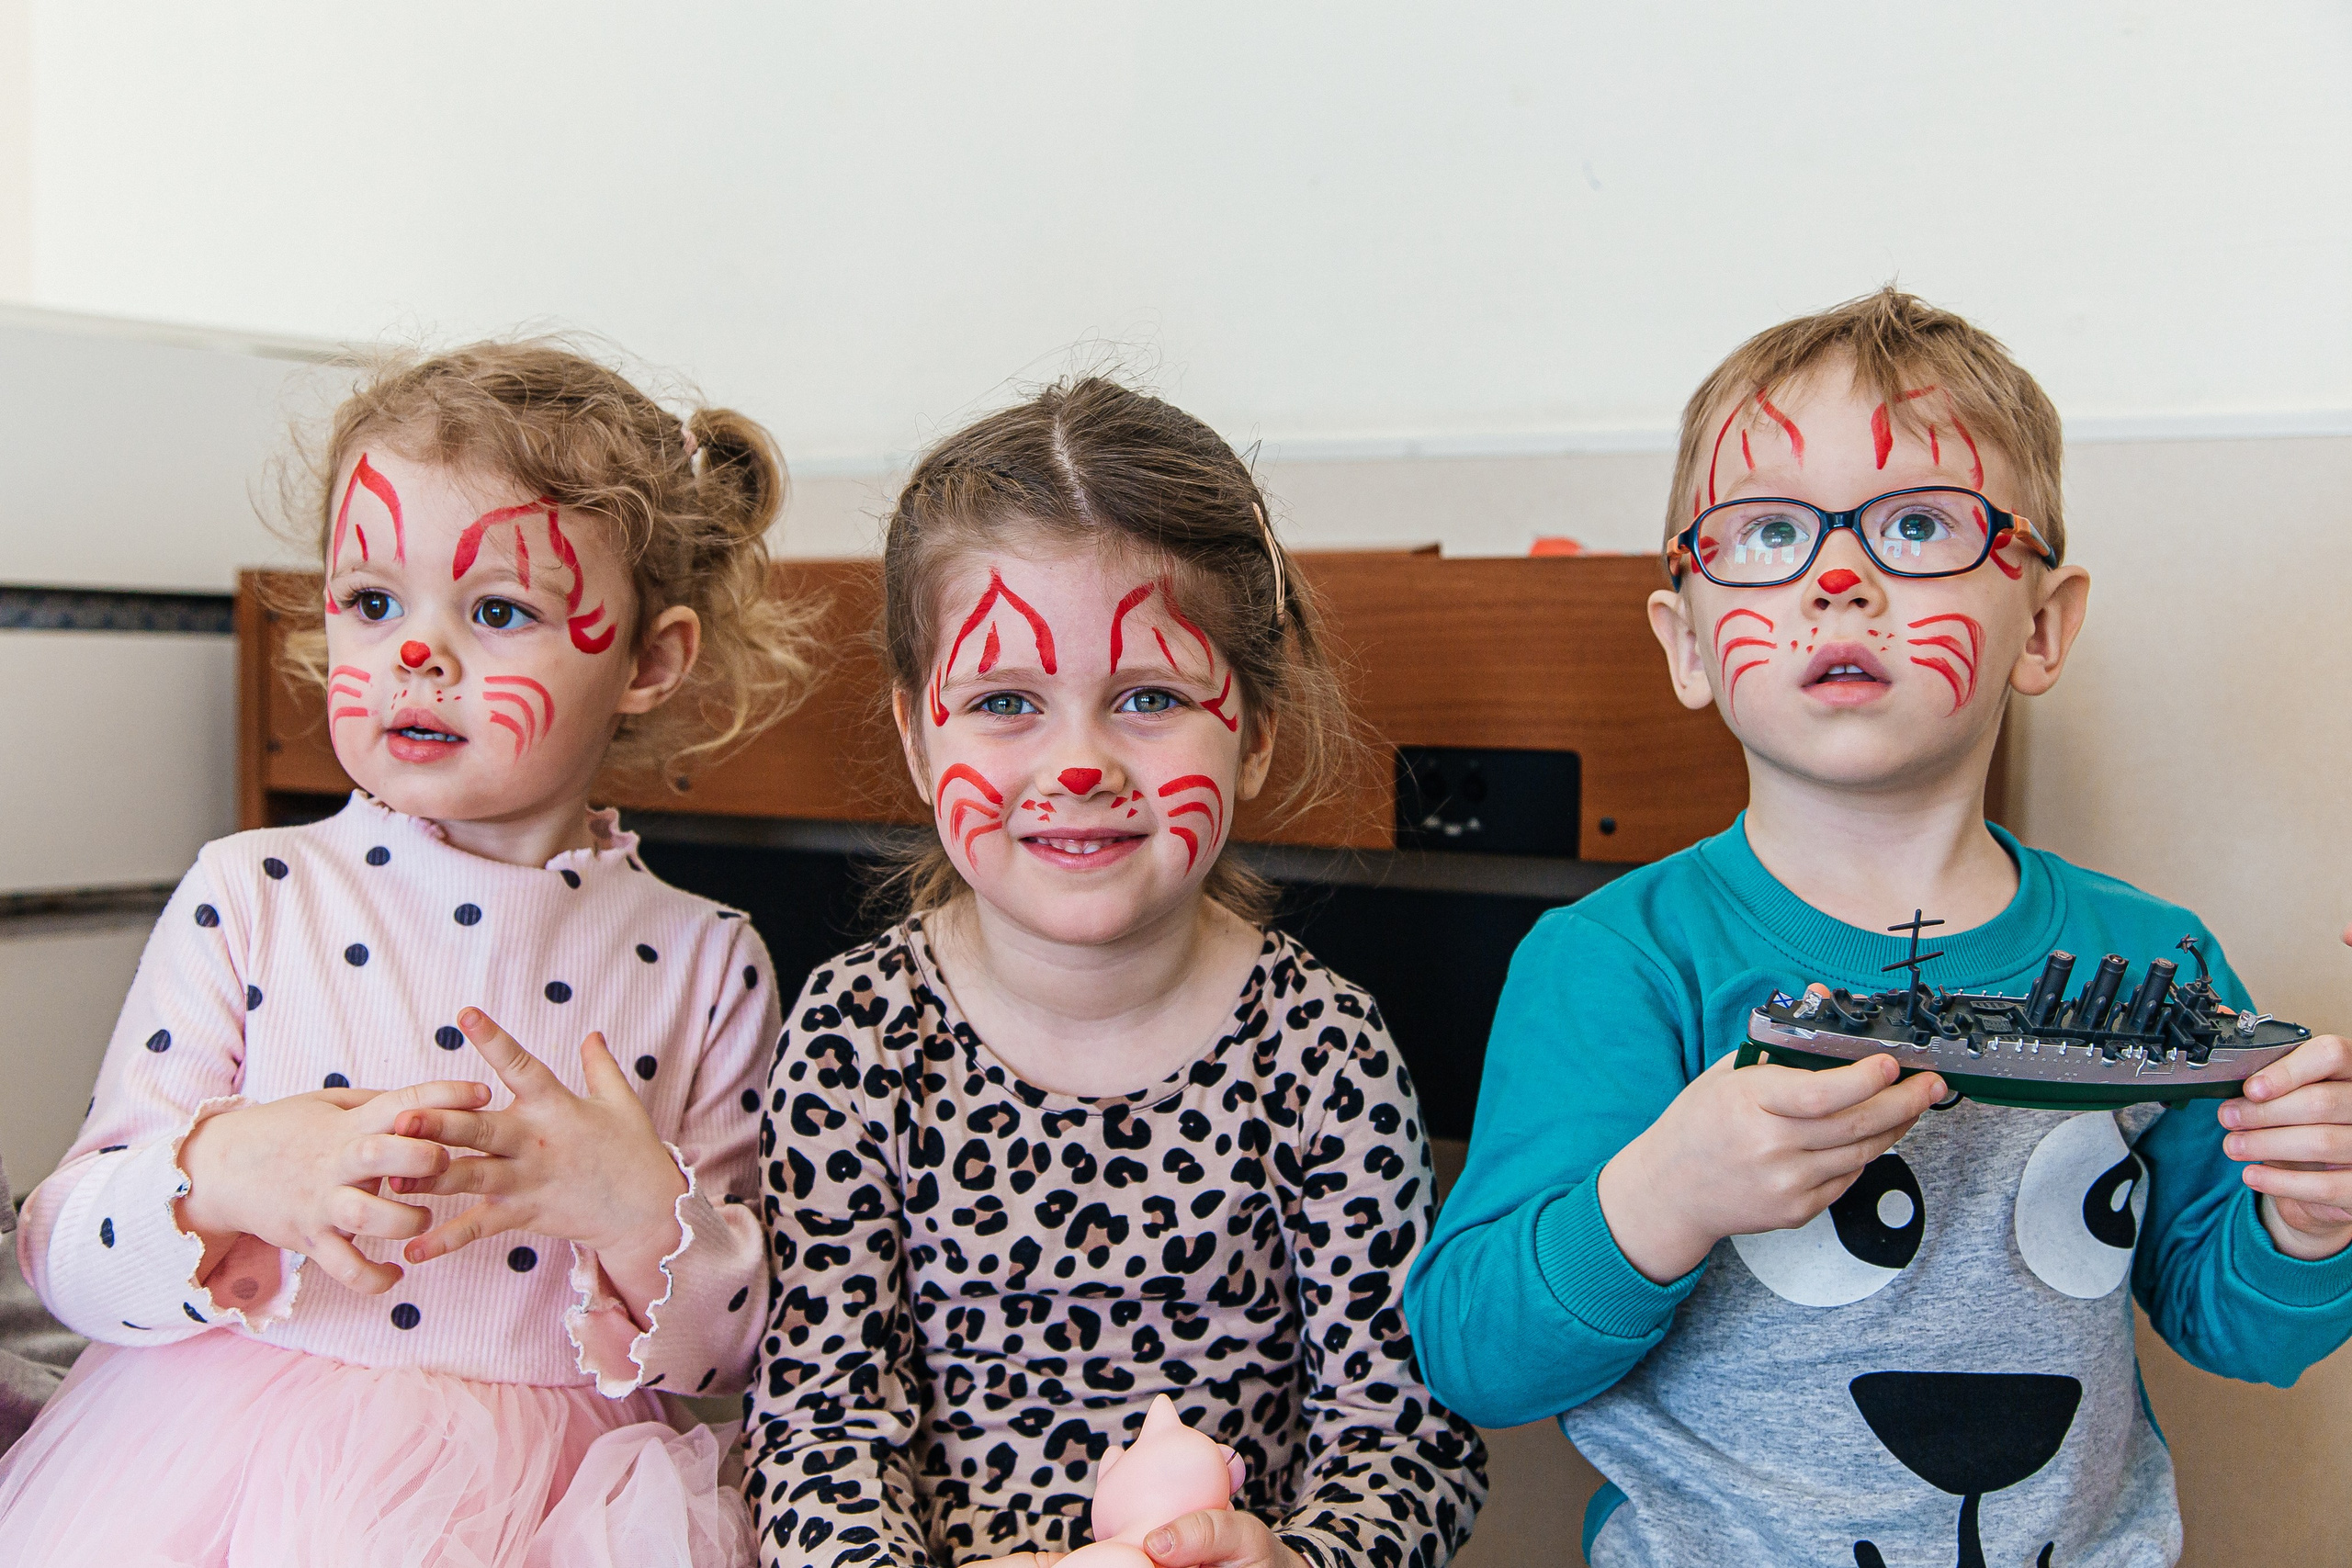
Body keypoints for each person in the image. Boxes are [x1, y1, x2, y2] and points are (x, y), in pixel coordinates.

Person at [1405, 289, 2352, 1567]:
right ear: (1685, 643)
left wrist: (2310, 1219)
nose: (1839, 580)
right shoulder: (1613, 965)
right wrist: (1665, 1194)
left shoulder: (2158, 959)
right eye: (1768, 534)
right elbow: (1475, 1355)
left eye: (1918, 524)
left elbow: (2228, 1320)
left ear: (2046, 626)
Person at [0, 341, 817, 1566]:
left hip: (564, 1508)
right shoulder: (254, 894)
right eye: (374, 603)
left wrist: (638, 1208)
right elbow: (60, 1257)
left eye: (497, 611)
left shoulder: (704, 961)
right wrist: (221, 1168)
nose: (417, 657)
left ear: (649, 662)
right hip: (230, 1472)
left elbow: (740, 1353)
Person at [745, 378, 1486, 1568]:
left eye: (1147, 697)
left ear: (1252, 733)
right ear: (916, 735)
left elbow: (1404, 1441)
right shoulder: (857, 1038)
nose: (1079, 764)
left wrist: (1294, 1563)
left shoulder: (1324, 1051)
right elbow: (820, 1426)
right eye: (1003, 701)